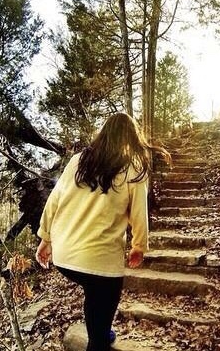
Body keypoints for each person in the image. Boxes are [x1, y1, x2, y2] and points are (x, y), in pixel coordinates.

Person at [35, 112, 170, 351]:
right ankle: (99, 338)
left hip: (65, 257)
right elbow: (139, 213)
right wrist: (139, 246)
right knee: (101, 295)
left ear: (103, 134)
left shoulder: (78, 160)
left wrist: (45, 239)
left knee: (94, 291)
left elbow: (54, 201)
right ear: (131, 138)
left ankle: (102, 332)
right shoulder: (133, 167)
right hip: (99, 260)